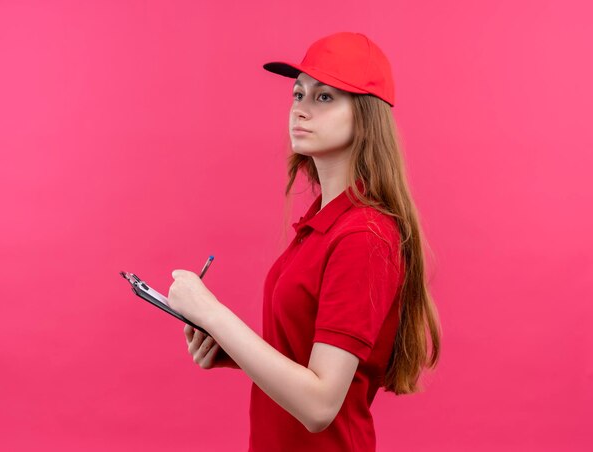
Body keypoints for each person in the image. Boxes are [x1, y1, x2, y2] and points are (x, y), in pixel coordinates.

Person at [167, 31, 441, 451]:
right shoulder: (321, 225)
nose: (301, 110)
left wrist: (213, 313)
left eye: (324, 97)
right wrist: (235, 352)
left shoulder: (364, 236)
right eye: (298, 94)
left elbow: (319, 405)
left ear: (366, 116)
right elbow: (306, 363)